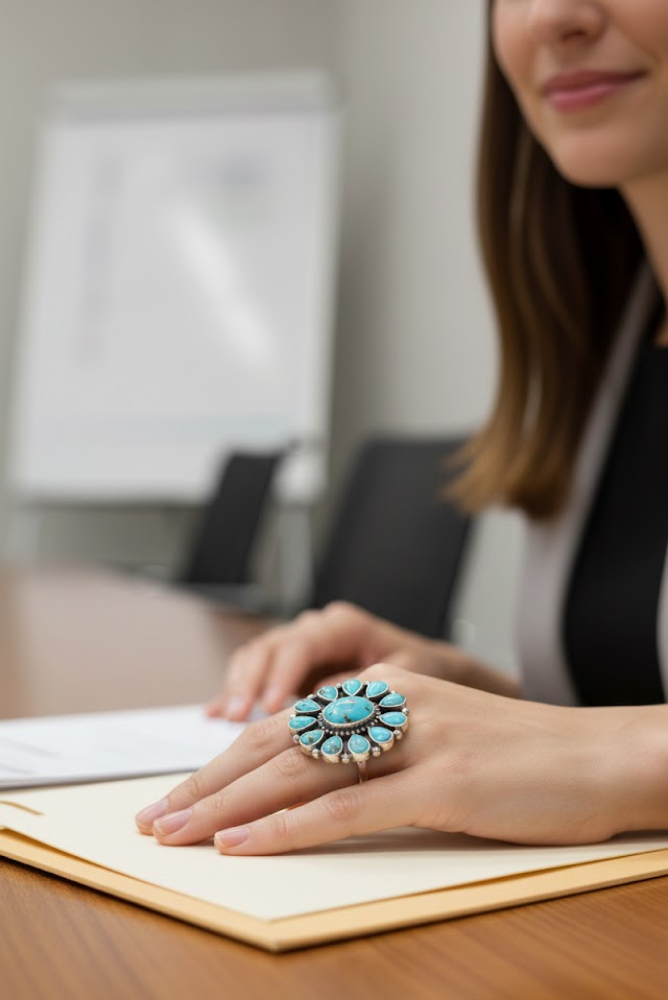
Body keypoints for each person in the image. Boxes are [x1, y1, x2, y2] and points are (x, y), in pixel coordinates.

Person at [136, 0, 668, 855]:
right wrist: (479, 693)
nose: (552, 17)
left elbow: (617, 748)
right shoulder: (606, 326)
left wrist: (609, 752)